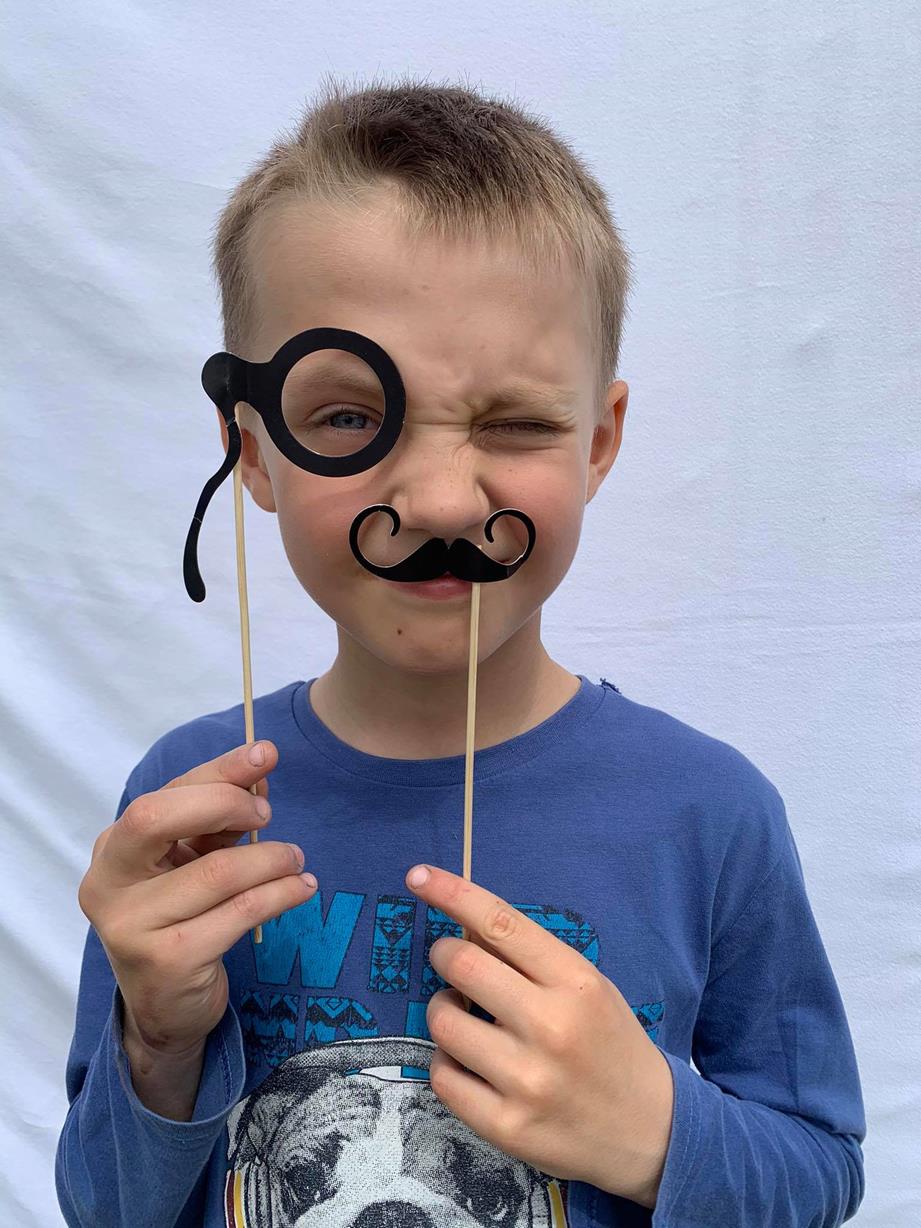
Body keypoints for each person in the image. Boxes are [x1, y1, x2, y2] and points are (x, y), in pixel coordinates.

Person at [55, 75, 866, 1227]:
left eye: (516, 421)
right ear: (254, 452)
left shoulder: (710, 814)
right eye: (349, 418)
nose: (440, 501)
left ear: (599, 441)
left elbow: (819, 1168)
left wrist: (656, 1131)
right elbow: (102, 1207)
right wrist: (157, 1040)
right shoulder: (186, 812)